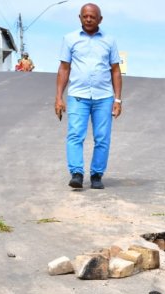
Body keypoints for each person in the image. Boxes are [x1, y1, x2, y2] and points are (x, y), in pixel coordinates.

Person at [55, 3, 122, 190]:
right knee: (75, 135)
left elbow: (115, 71)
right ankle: (76, 173)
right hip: (78, 96)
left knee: (102, 138)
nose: (89, 19)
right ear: (80, 18)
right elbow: (64, 69)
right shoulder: (69, 39)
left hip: (104, 97)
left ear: (100, 19)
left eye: (93, 16)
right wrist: (59, 97)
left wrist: (117, 100)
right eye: (85, 16)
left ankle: (96, 175)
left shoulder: (109, 40)